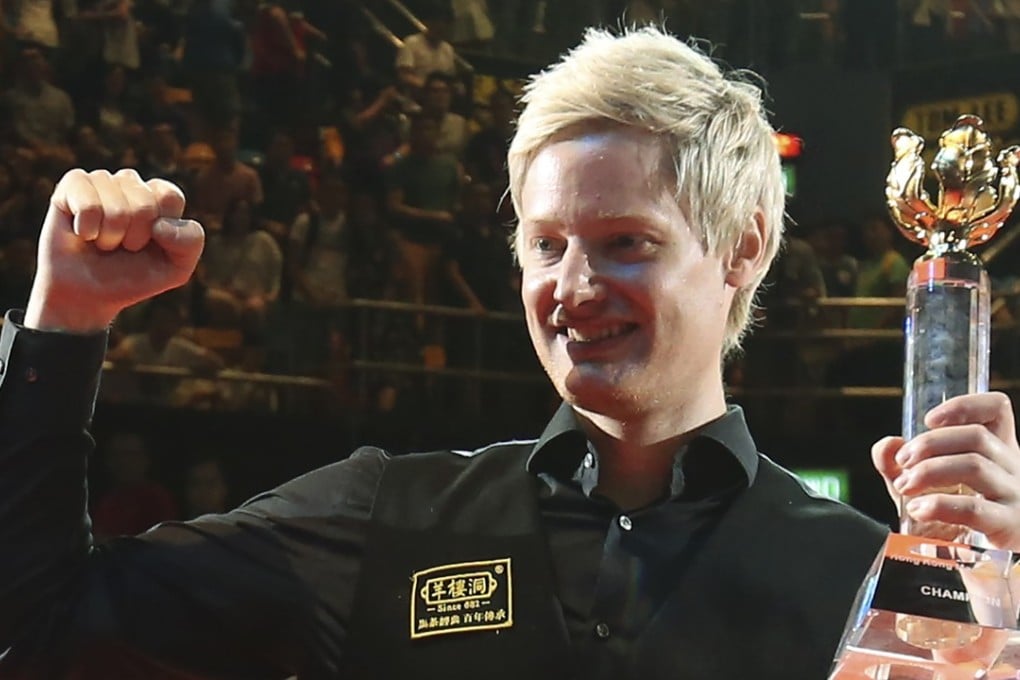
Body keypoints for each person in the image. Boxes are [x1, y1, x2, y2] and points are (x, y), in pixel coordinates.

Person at [2, 26, 1020, 680]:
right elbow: (37, 626)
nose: (572, 289)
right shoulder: (376, 516)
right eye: (546, 244)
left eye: (626, 242)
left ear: (743, 245)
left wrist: (1006, 609)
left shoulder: (865, 584)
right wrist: (63, 324)